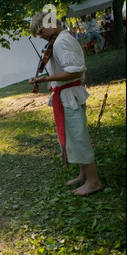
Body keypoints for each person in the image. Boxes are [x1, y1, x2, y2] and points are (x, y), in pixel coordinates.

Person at [29, 11, 103, 196]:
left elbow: (75, 71)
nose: (40, 36)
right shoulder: (61, 39)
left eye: (40, 31)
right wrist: (53, 82)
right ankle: (83, 174)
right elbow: (65, 69)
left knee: (78, 137)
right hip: (67, 94)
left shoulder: (61, 42)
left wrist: (48, 78)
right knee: (73, 135)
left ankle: (93, 181)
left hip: (69, 96)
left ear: (51, 25)